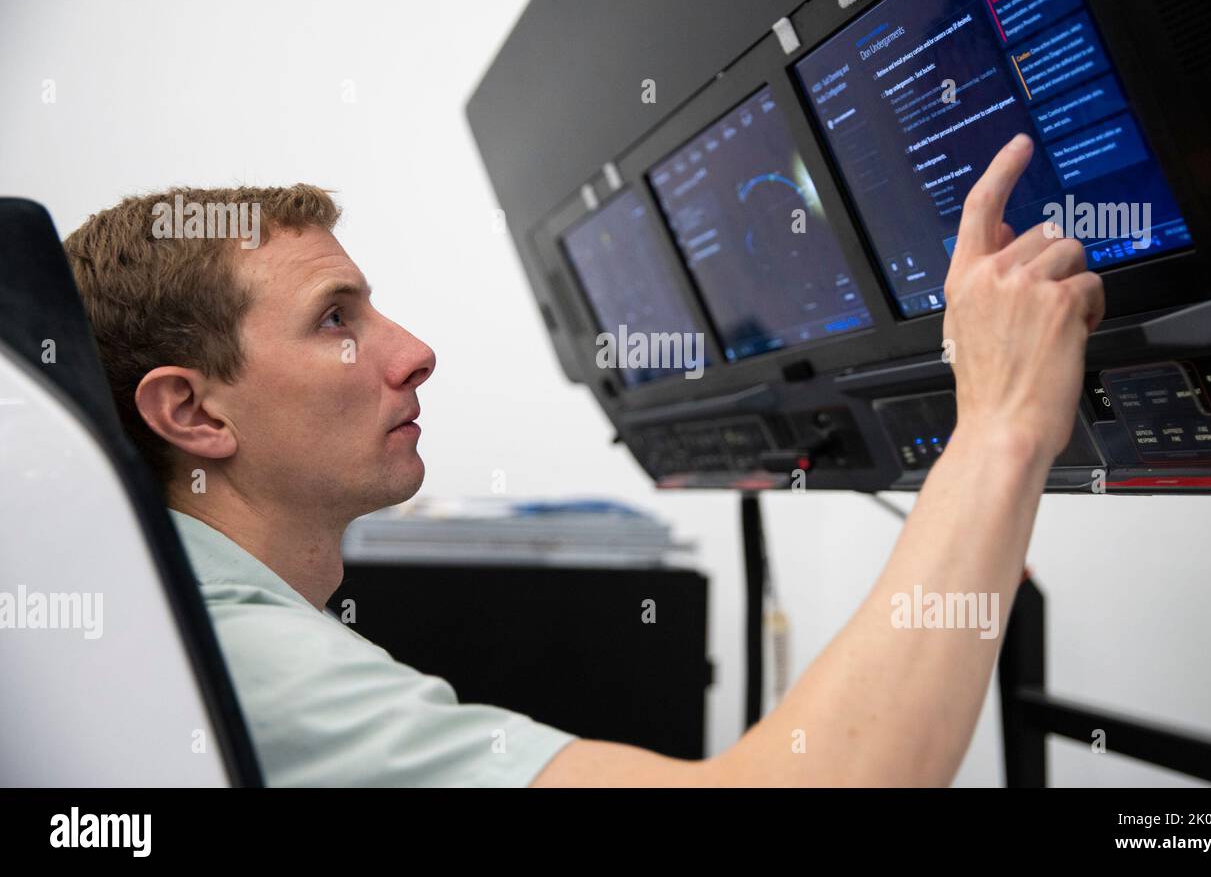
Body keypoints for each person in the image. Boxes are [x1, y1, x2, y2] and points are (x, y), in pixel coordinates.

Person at [64, 132, 1102, 786]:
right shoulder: (246, 660)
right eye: (336, 318)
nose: (413, 350)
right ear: (191, 412)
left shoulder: (172, 615)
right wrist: (1002, 419)